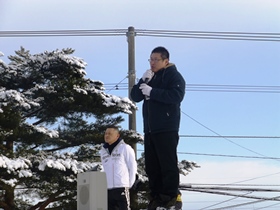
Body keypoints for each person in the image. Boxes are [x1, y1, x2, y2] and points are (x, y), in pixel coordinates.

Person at [130, 46, 185, 210]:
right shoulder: (150, 76)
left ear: (165, 61)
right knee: (152, 165)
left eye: (156, 60)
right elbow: (135, 96)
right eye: (150, 59)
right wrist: (142, 81)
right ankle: (155, 197)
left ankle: (170, 197)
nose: (152, 63)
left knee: (167, 164)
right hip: (150, 129)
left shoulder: (174, 76)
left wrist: (153, 92)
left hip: (167, 127)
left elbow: (176, 96)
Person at [100, 125, 137, 210]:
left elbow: (132, 166)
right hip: (108, 189)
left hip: (121, 187)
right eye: (105, 133)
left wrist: (129, 184)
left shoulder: (125, 148)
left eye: (110, 133)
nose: (107, 135)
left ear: (117, 135)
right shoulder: (103, 152)